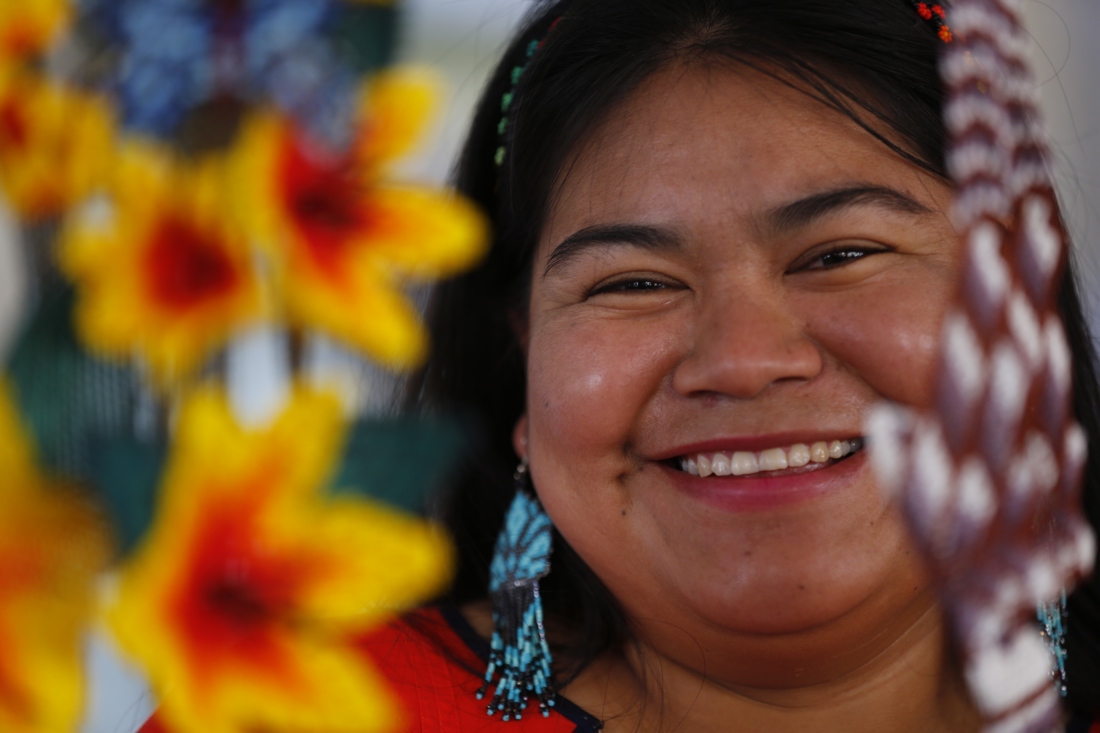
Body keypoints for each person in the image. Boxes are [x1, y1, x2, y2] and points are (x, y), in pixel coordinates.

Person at [381, 0, 1100, 731]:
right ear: (525, 354)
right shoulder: (303, 701)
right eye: (634, 283)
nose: (743, 361)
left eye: (841, 256)